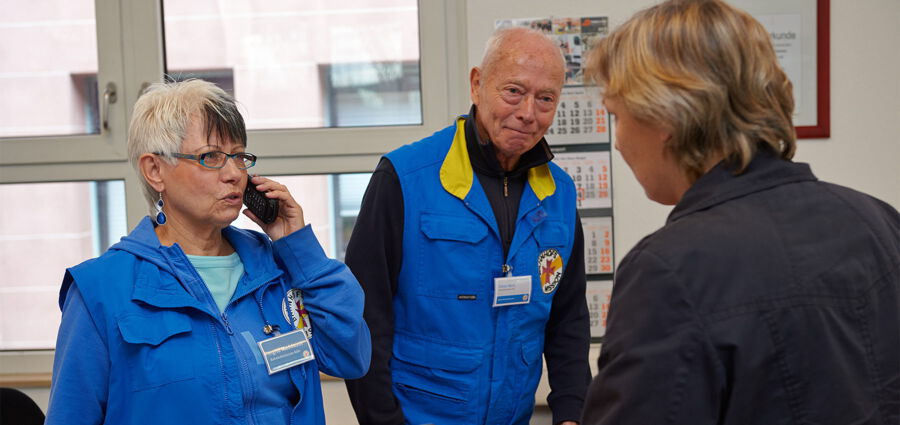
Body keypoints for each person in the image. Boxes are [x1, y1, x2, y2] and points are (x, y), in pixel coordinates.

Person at [580, 1, 900, 424]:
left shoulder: (669, 269)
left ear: (664, 115)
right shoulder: (878, 221)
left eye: (616, 115)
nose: (617, 142)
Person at [46, 79, 371, 425]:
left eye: (239, 156)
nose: (234, 174)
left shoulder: (278, 267)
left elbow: (349, 356)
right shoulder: (101, 290)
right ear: (155, 170)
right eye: (211, 157)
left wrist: (300, 247)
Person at [344, 27, 591, 425]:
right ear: (477, 84)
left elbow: (569, 318)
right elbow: (363, 315)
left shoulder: (559, 193)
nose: (528, 112)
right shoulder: (405, 177)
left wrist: (572, 413)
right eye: (513, 91)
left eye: (545, 99)